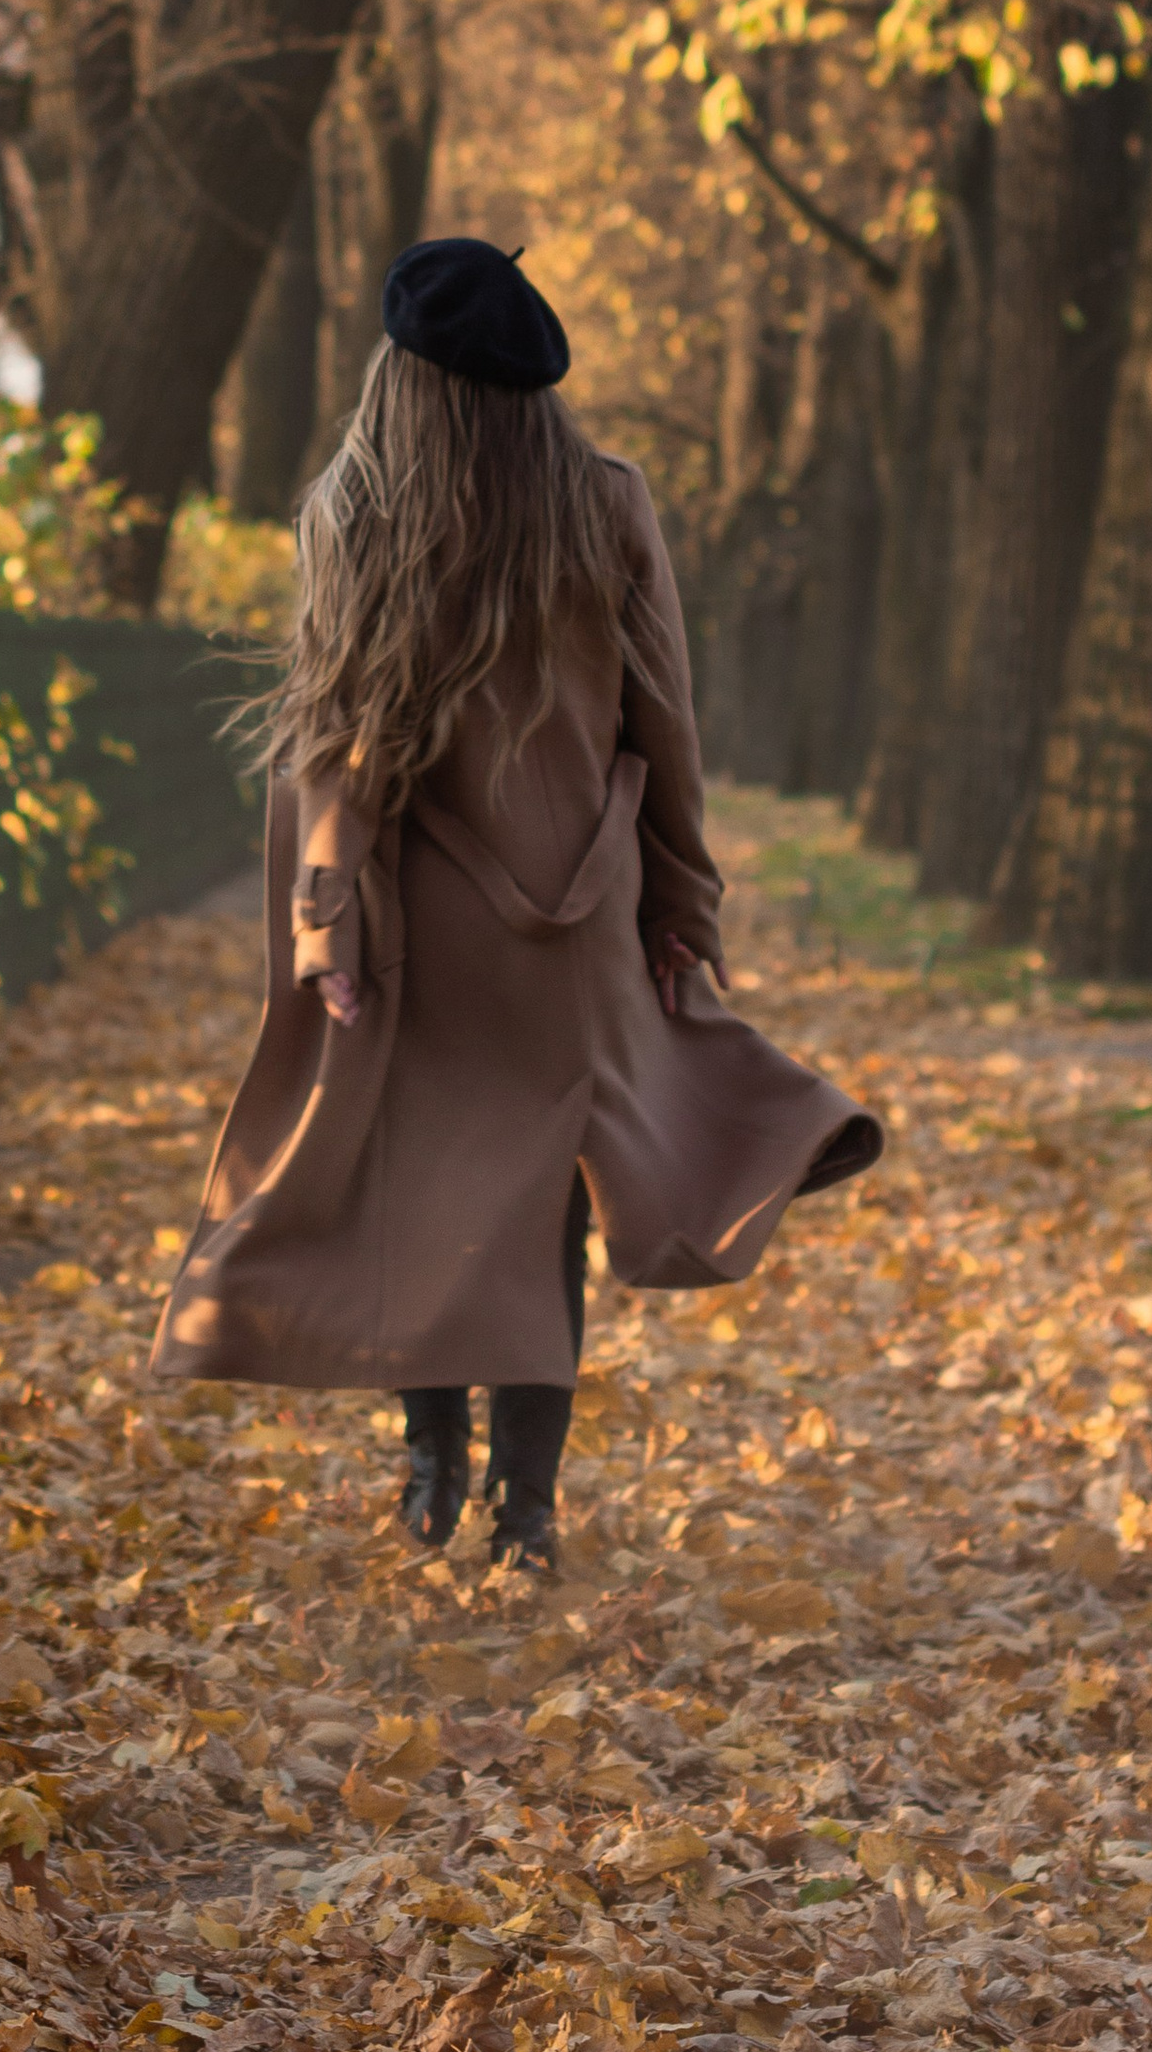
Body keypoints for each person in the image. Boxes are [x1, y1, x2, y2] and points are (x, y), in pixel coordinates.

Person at [151, 235, 883, 1572]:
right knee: (542, 1200)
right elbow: (661, 721)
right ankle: (524, 1508)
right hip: (578, 916)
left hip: (423, 926)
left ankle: (431, 1465)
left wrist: (328, 928)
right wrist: (682, 905)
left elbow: (336, 742)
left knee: (420, 1188)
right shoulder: (604, 500)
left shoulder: (360, 508)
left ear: (400, 379)